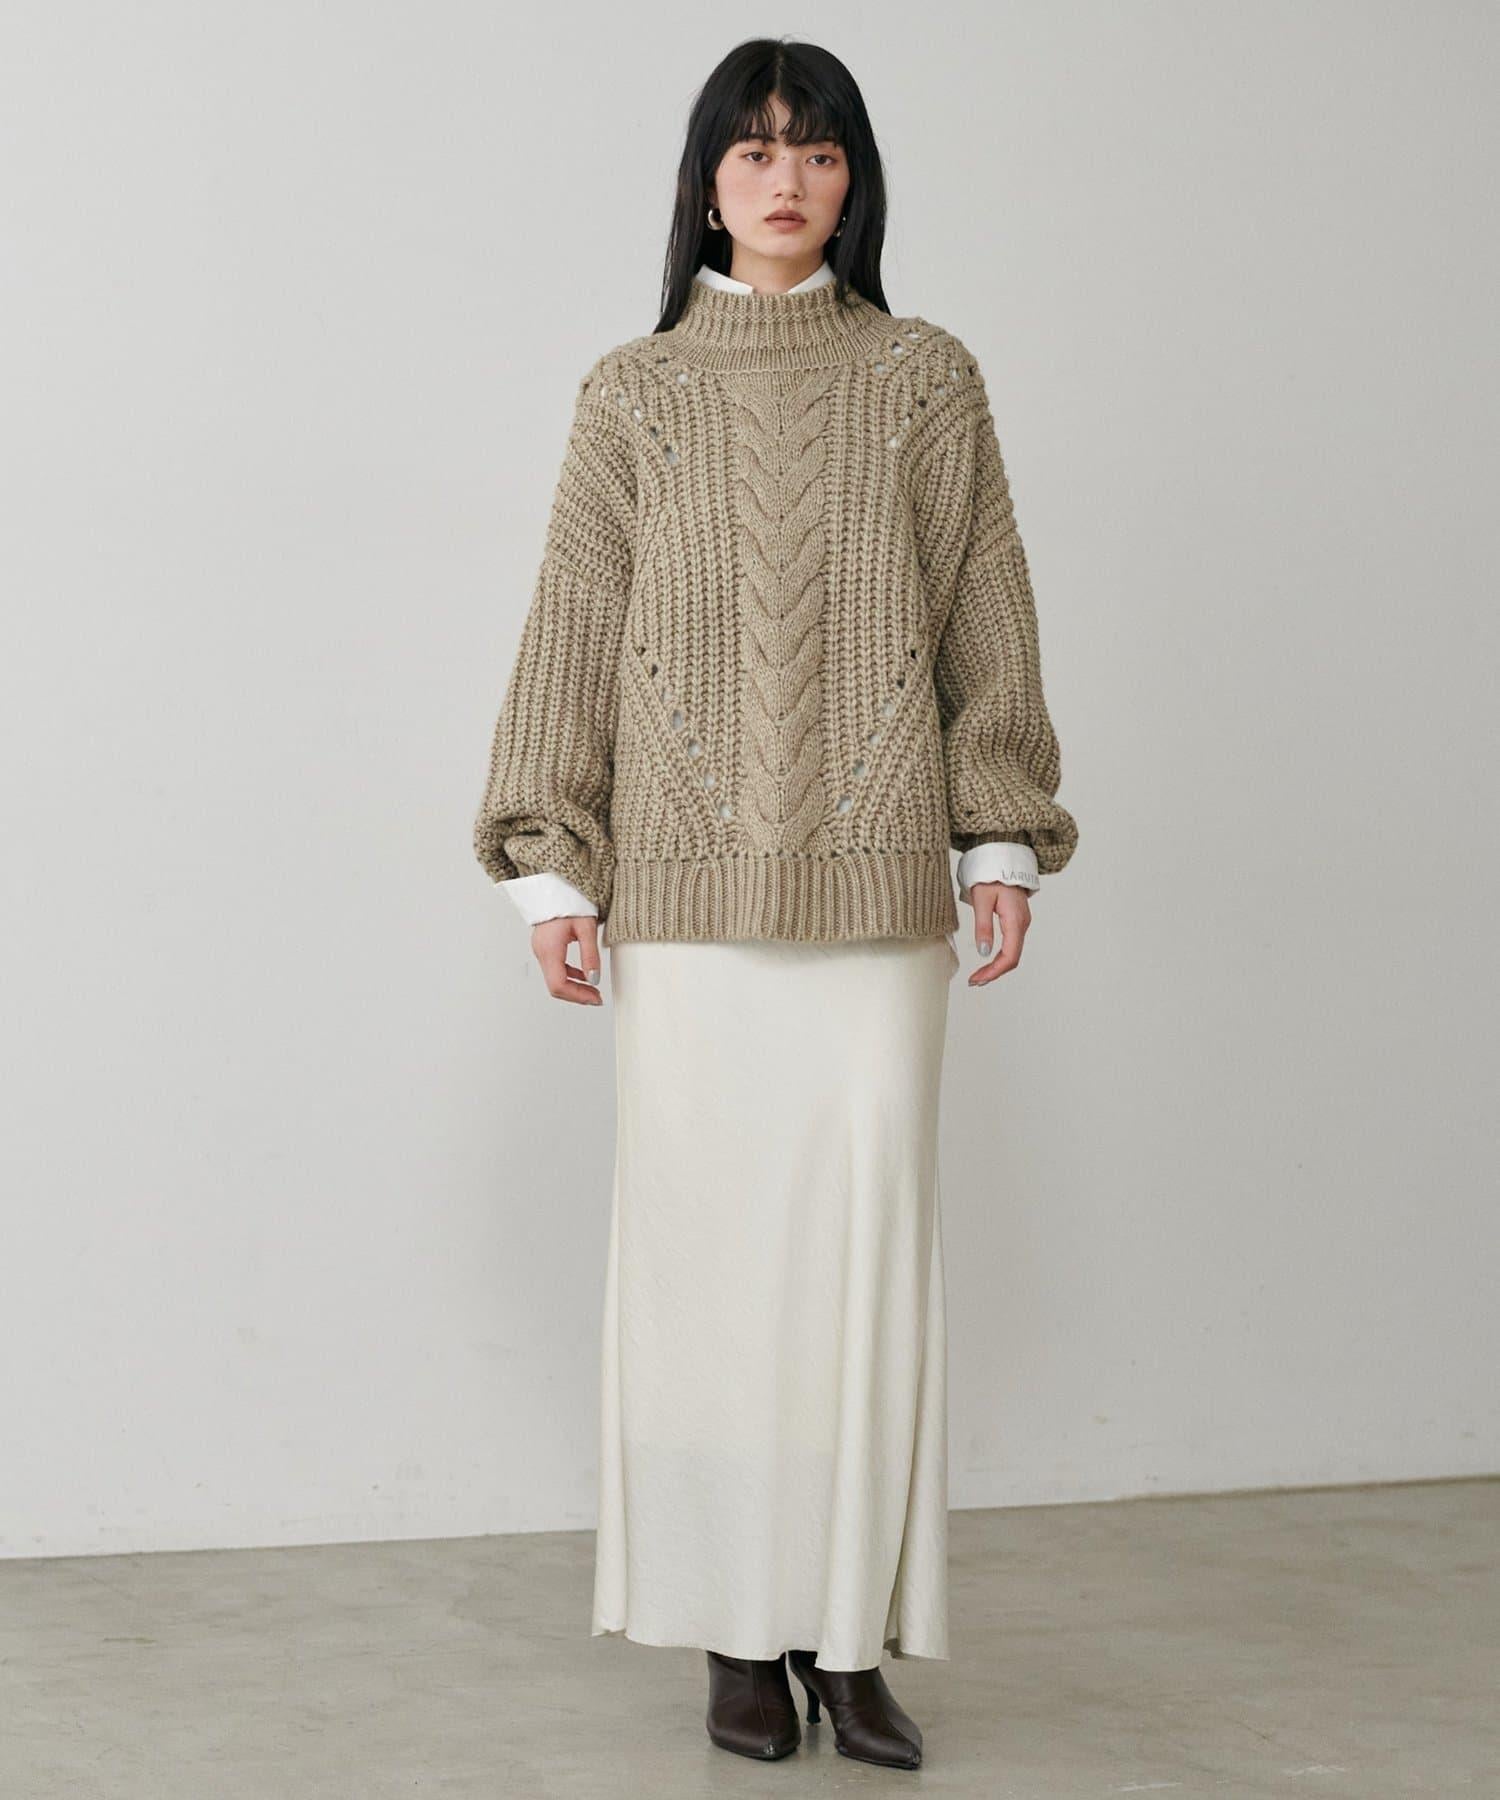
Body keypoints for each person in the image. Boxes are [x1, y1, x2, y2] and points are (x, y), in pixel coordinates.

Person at [472, 36, 1078, 1773]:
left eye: (816, 151)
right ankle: (738, 1635)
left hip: (879, 909)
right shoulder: (634, 393)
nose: (786, 179)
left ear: (854, 177)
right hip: (683, 911)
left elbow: (987, 614)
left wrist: (999, 841)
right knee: (707, 1279)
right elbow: (574, 628)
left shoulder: (926, 378)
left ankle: (849, 1637)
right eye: (753, 151)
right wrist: (552, 866)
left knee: (862, 1279)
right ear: (707, 182)